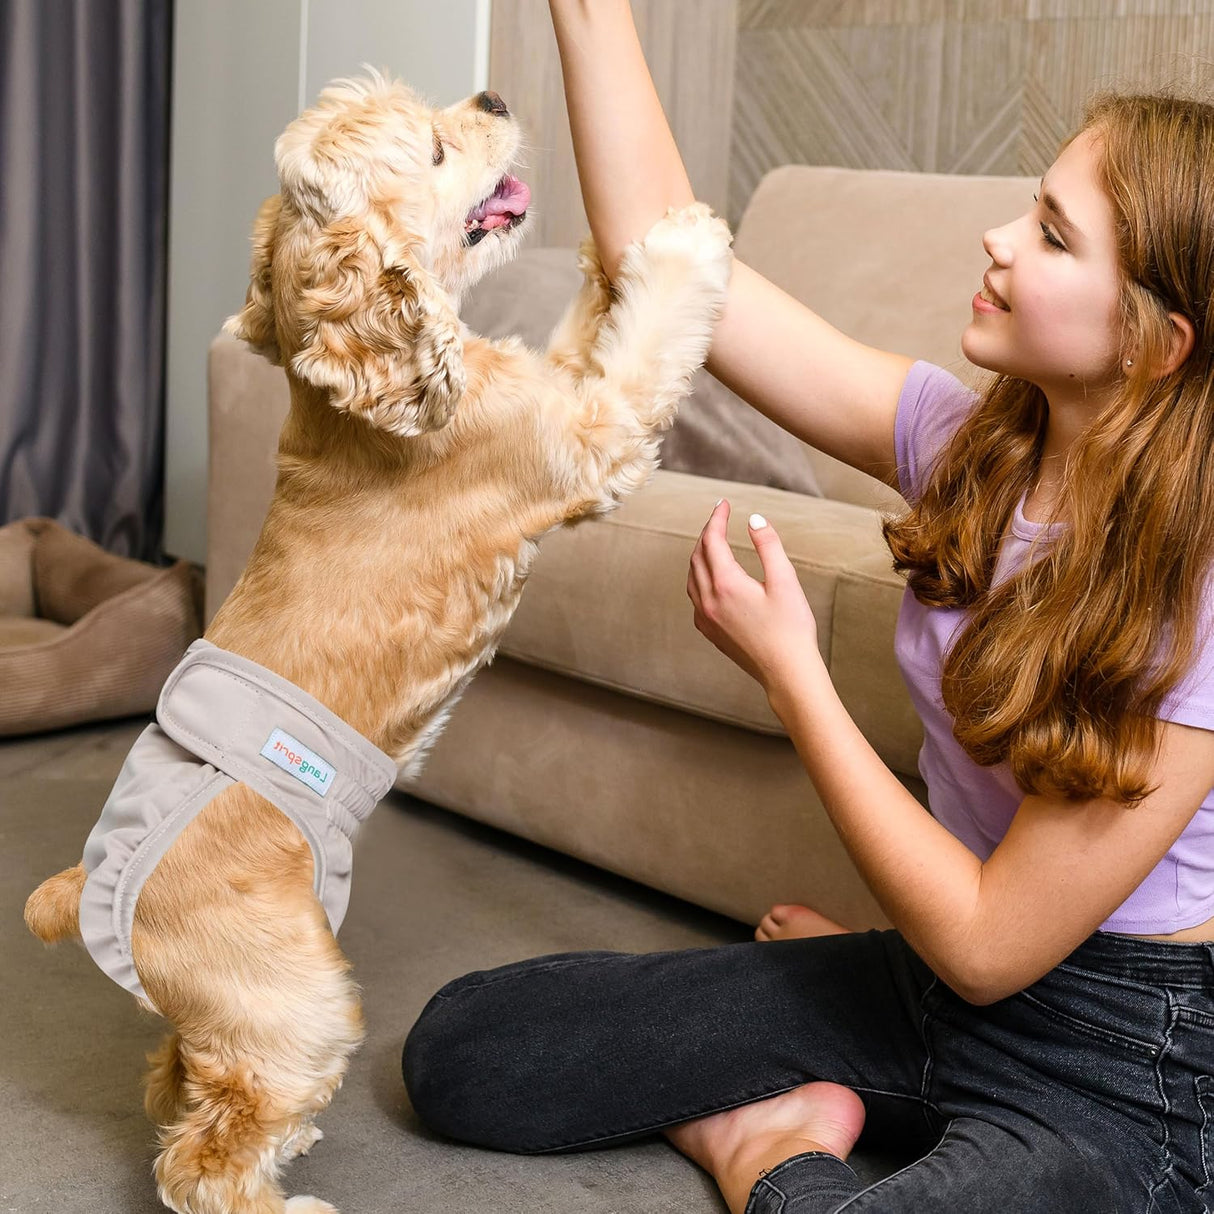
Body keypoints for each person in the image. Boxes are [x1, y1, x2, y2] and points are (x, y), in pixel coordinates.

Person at [401, 3, 1214, 1209]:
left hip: (1121, 1058)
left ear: (1154, 342)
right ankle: (871, 1059)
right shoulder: (961, 442)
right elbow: (667, 265)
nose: (994, 238)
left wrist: (793, 674)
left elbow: (993, 945)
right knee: (468, 1050)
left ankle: (765, 1144)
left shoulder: (1191, 593)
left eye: (1048, 233)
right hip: (938, 985)